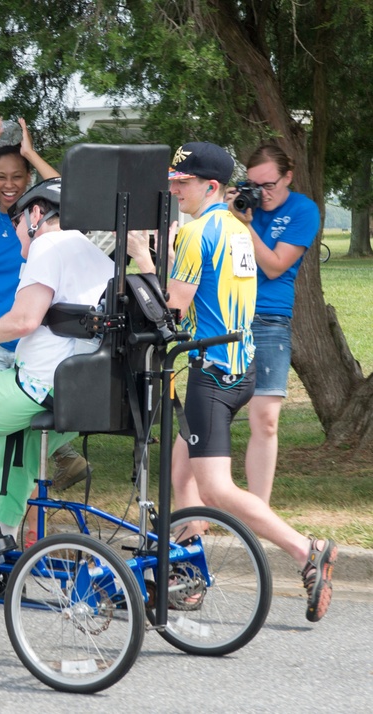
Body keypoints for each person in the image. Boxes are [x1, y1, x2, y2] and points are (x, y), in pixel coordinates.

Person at [127, 141, 336, 622]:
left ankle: (308, 550)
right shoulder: (234, 227)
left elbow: (169, 312)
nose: (175, 188)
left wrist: (143, 257)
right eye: (173, 180)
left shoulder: (198, 233)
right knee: (182, 476)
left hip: (211, 374)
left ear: (212, 186)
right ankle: (186, 574)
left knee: (216, 489)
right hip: (239, 367)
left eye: (184, 182)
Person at [0, 178, 114, 573]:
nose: (14, 233)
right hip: (87, 391)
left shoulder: (47, 245)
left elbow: (24, 320)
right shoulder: (92, 252)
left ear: (35, 214)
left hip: (41, 385)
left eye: (15, 222)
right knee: (14, 461)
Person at [0, 118, 90, 498]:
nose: (9, 184)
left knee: (24, 443)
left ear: (28, 179)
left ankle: (18, 519)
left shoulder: (43, 223)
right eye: (0, 176)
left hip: (35, 346)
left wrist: (32, 154)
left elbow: (73, 197)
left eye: (17, 176)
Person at [227, 145, 320, 505]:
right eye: (253, 184)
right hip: (228, 314)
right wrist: (225, 209)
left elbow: (275, 265)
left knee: (265, 420)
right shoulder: (236, 208)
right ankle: (193, 507)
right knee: (209, 414)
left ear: (288, 177)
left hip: (269, 318)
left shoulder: (302, 210)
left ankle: (258, 510)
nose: (261, 193)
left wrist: (246, 227)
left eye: (269, 185)